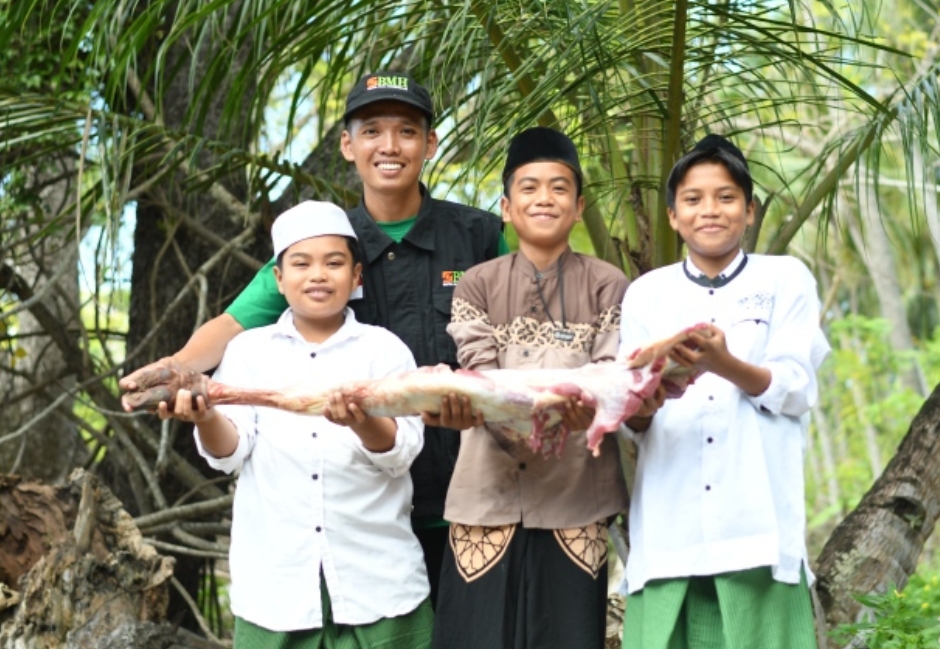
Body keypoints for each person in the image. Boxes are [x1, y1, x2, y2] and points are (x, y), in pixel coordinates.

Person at [120, 71, 506, 605]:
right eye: (371, 131)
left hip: (473, 497)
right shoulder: (323, 243)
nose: (389, 146)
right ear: (347, 145)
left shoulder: (480, 235)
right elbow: (233, 325)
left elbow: (521, 335)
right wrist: (177, 370)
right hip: (365, 512)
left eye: (407, 131)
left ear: (430, 144)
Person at [164, 201, 432, 648]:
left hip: (380, 581)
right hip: (275, 589)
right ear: (279, 279)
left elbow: (401, 453)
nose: (318, 275)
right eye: (301, 263)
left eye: (334, 263)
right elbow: (229, 454)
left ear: (357, 277)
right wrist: (207, 416)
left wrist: (364, 422)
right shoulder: (249, 352)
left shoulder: (384, 351)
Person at [618, 135, 828, 649]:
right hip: (669, 535)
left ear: (750, 210)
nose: (709, 210)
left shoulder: (785, 279)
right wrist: (642, 405)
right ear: (672, 216)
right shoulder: (647, 292)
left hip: (757, 526)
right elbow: (633, 416)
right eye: (692, 199)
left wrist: (725, 364)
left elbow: (797, 388)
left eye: (726, 197)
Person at [429, 127, 630, 649]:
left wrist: (570, 401)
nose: (545, 198)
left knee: (567, 637)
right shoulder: (477, 282)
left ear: (580, 205)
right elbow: (480, 372)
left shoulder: (609, 284)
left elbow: (608, 378)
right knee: (473, 636)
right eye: (530, 187)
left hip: (576, 498)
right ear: (506, 206)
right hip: (485, 495)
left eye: (560, 188)